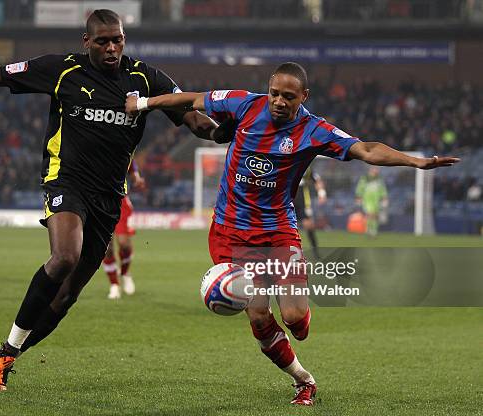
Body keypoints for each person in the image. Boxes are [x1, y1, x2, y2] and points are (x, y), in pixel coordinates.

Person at [0, 9, 228, 391]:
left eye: (118, 40)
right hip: (65, 181)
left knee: (66, 297)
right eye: (104, 40)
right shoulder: (62, 70)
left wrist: (227, 131)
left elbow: (192, 119)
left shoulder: (147, 78)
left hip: (109, 196)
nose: (112, 48)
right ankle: (6, 354)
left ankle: (6, 355)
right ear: (86, 41)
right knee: (65, 256)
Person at [125, 62, 459, 406]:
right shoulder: (243, 103)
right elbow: (193, 100)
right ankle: (304, 380)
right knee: (258, 314)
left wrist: (415, 162)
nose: (279, 101)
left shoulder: (314, 130)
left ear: (304, 96)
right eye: (275, 94)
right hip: (231, 232)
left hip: (277, 232)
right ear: (267, 89)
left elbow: (367, 150)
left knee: (296, 321)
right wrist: (143, 104)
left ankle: (293, 301)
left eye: (288, 96)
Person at [103, 159, 145, 299]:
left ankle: (125, 273)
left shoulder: (119, 142)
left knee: (124, 243)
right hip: (98, 200)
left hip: (120, 200)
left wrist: (137, 178)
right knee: (106, 248)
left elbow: (130, 161)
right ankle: (114, 285)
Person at [293, 168, 326, 258]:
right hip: (287, 198)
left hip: (303, 200)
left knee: (309, 225)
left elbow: (317, 180)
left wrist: (322, 193)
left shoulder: (306, 168)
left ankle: (315, 251)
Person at [355, 166, 388, 236]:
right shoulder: (365, 178)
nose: (376, 170)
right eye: (375, 169)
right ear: (371, 170)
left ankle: (374, 230)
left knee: (375, 215)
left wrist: (384, 197)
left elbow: (382, 189)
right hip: (367, 199)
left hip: (376, 199)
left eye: (377, 169)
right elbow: (360, 188)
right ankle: (368, 229)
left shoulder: (379, 179)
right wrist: (358, 196)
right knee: (369, 214)